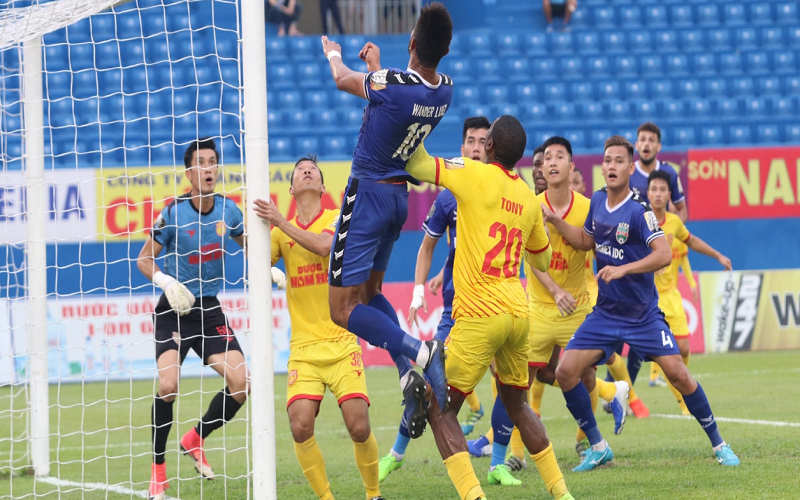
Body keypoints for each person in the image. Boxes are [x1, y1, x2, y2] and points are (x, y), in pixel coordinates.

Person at [405, 116, 574, 500]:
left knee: (439, 408)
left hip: (480, 312)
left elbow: (417, 164)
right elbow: (542, 259)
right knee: (518, 405)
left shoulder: (473, 174)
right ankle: (562, 493)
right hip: (518, 312)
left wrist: (412, 120)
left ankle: (474, 495)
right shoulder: (529, 198)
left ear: (490, 146)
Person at [548, 135, 740, 471]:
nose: (612, 166)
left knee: (679, 375)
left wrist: (623, 269)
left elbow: (663, 254)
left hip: (642, 316)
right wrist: (554, 221)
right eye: (607, 160)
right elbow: (585, 241)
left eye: (619, 161)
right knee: (565, 372)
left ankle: (719, 444)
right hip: (606, 314)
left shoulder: (640, 211)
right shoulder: (597, 202)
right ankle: (598, 446)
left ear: (629, 168)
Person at [321, 3, 454, 439]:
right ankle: (406, 372)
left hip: (367, 196)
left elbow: (343, 80)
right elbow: (395, 94)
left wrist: (333, 54)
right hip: (398, 199)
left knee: (342, 309)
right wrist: (378, 68)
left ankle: (422, 352)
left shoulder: (393, 84)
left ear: (412, 41)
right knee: (371, 292)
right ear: (445, 52)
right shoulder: (445, 90)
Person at [476, 137, 629, 485]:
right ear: (541, 168)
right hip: (539, 310)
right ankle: (504, 460)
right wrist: (556, 291)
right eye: (548, 158)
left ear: (572, 167)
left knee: (580, 377)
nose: (554, 162)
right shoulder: (529, 205)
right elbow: (529, 257)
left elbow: (597, 247)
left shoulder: (588, 206)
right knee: (515, 383)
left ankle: (593, 442)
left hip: (577, 308)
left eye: (561, 157)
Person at [255, 156, 384, 500]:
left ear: (323, 186)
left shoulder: (336, 217)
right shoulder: (278, 234)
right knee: (299, 426)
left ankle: (373, 494)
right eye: (299, 170)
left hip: (341, 342)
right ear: (291, 188)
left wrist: (280, 221)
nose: (307, 171)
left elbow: (325, 246)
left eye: (312, 169)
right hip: (304, 350)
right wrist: (245, 236)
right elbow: (255, 263)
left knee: (359, 427)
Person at [378, 116, 490, 483]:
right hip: (458, 308)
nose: (477, 147)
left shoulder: (503, 191)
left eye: (483, 142)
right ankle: (396, 453)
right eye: (471, 141)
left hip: (496, 305)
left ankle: (501, 459)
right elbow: (428, 246)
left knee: (517, 382)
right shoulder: (448, 196)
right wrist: (418, 291)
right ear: (462, 148)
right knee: (427, 384)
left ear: (491, 149)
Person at [138, 138, 249, 500]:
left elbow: (252, 245)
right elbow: (144, 259)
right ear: (189, 173)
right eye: (200, 162)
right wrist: (166, 283)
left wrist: (268, 267)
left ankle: (195, 438)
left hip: (209, 310)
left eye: (212, 161)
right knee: (168, 386)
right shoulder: (173, 213)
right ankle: (158, 473)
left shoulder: (229, 211)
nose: (208, 168)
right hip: (174, 310)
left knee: (241, 384)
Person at [603, 121, 688, 413]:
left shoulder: (669, 174)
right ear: (637, 145)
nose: (647, 144)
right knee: (615, 335)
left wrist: (667, 237)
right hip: (620, 260)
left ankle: (622, 393)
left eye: (652, 139)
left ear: (658, 145)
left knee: (640, 340)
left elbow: (681, 211)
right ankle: (615, 391)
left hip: (648, 266)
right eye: (643, 139)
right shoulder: (627, 172)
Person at [646, 170, 732, 414]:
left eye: (663, 189)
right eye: (654, 189)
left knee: (683, 349)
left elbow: (691, 241)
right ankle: (683, 400)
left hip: (671, 295)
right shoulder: (640, 219)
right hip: (649, 299)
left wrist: (718, 255)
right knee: (665, 354)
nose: (658, 194)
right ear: (648, 193)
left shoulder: (674, 222)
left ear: (669, 194)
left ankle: (680, 386)